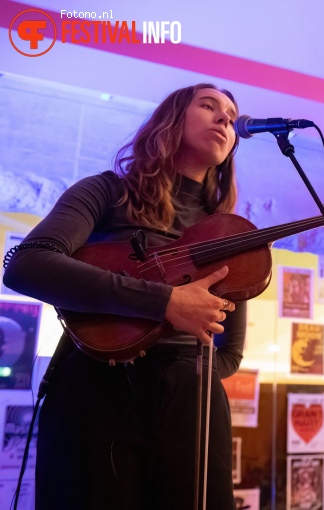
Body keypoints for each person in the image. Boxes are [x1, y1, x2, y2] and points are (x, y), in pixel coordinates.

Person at [3, 83, 246, 509]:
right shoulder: (106, 191)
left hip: (192, 411)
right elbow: (28, 264)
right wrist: (163, 304)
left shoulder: (227, 233)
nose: (225, 117)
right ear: (171, 121)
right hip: (98, 391)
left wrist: (184, 374)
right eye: (209, 106)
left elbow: (230, 353)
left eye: (230, 113)